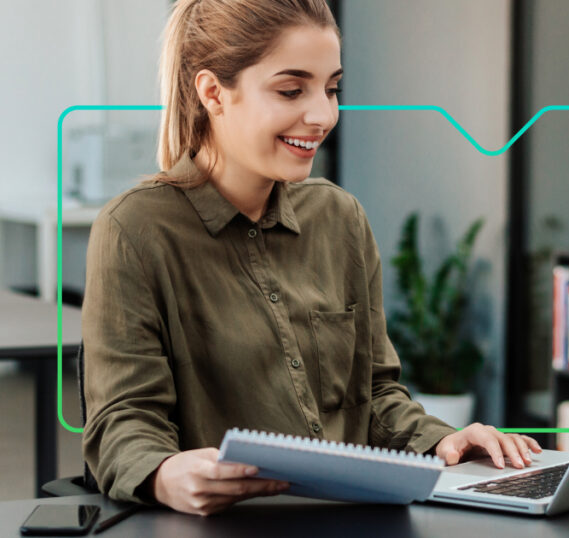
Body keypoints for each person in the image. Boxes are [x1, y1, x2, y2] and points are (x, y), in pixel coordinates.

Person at [82, 0, 541, 517]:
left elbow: (375, 395)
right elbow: (123, 421)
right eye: (290, 90)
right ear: (213, 93)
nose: (323, 115)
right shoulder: (134, 231)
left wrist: (443, 441)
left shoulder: (339, 218)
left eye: (332, 88)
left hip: (352, 523)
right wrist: (164, 473)